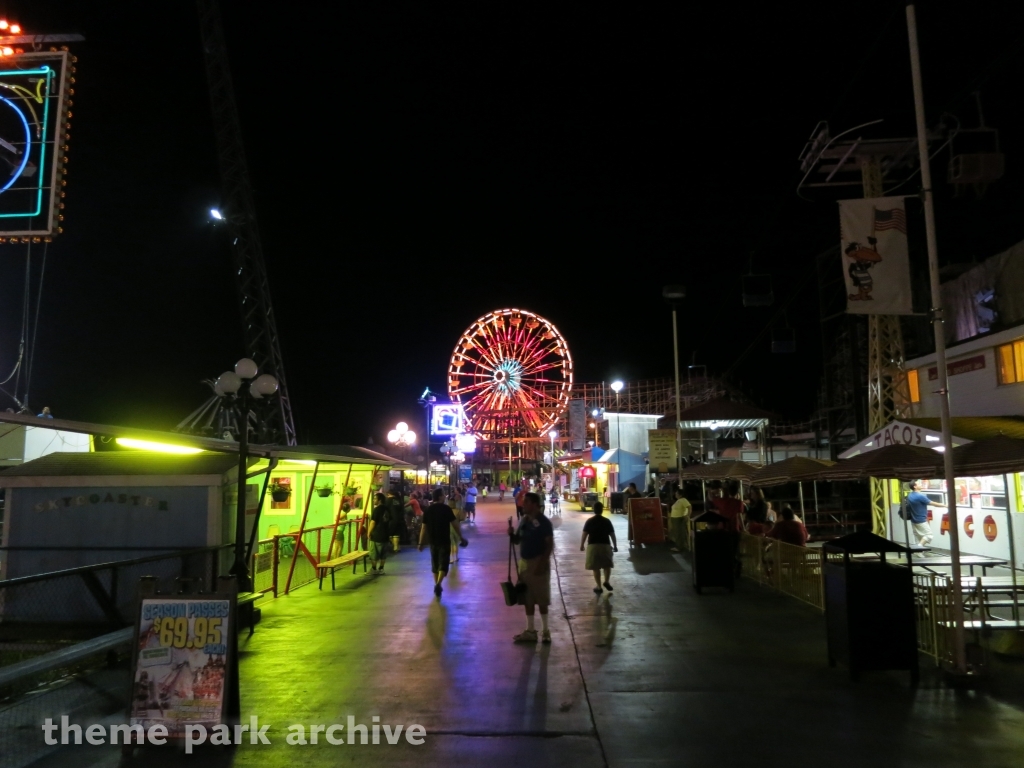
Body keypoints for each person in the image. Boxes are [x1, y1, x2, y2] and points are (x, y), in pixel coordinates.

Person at [508, 492, 554, 644]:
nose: (523, 504)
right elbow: (517, 540)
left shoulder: (544, 522)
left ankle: (546, 631)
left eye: (526, 502)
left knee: (541, 599)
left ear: (535, 504)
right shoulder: (524, 521)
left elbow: (549, 545)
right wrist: (511, 535)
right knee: (527, 598)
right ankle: (530, 630)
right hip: (525, 563)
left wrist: (542, 564)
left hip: (539, 562)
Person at [419, 488, 466, 597]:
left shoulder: (428, 510)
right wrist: (461, 537)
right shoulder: (446, 509)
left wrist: (420, 542)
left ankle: (436, 584)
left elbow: (423, 528)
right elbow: (455, 524)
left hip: (433, 541)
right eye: (443, 494)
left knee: (435, 564)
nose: (445, 496)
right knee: (443, 563)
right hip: (444, 539)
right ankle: (438, 584)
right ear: (440, 496)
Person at [580, 501, 617, 593]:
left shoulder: (589, 521)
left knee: (595, 567)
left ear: (594, 510)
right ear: (602, 510)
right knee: (607, 565)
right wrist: (615, 545)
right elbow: (612, 534)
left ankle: (599, 587)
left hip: (593, 546)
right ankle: (606, 581)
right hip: (605, 545)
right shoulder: (607, 521)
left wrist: (582, 545)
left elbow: (584, 534)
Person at [367, 493, 391, 573]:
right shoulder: (387, 509)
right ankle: (381, 568)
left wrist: (369, 532)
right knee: (383, 554)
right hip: (385, 534)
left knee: (374, 553)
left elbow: (373, 522)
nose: (374, 500)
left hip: (376, 535)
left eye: (375, 499)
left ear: (379, 500)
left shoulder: (376, 510)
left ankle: (374, 569)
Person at [906, 481, 933, 548]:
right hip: (921, 519)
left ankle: (919, 553)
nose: (921, 484)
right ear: (915, 486)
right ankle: (919, 547)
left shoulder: (910, 495)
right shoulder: (920, 496)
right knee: (929, 535)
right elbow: (932, 503)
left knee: (918, 537)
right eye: (919, 483)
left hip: (913, 519)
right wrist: (944, 505)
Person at [668, 488, 691, 553]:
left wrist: (687, 515)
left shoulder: (683, 500)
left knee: (679, 533)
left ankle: (680, 547)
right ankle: (680, 546)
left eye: (677, 493)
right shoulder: (679, 500)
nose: (675, 494)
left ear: (680, 494)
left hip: (679, 518)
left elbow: (689, 507)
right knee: (677, 532)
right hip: (676, 518)